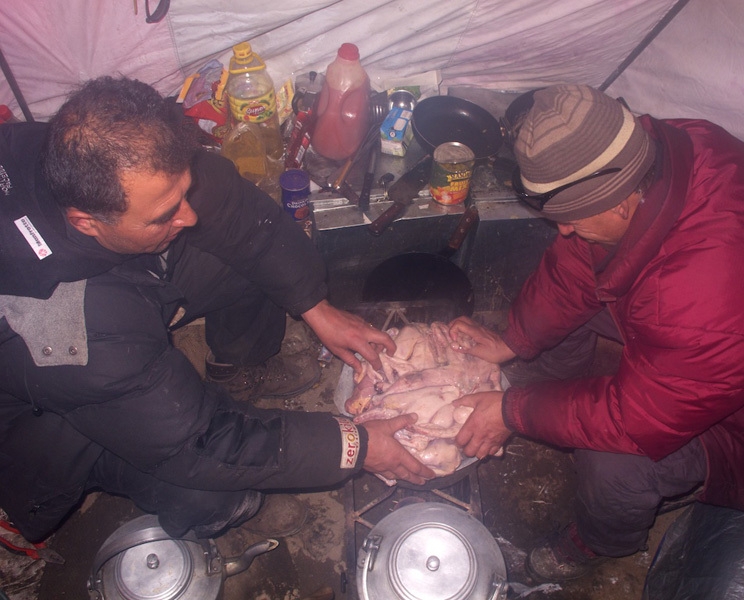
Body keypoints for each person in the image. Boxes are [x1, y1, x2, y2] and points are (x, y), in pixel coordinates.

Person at [0, 76, 434, 543]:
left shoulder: (90, 152)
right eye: (164, 215)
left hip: (119, 290)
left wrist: (314, 305)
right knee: (211, 488)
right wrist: (356, 446)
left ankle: (234, 368)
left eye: (182, 193)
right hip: (46, 424)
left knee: (247, 254)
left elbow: (233, 209)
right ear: (86, 222)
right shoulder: (68, 326)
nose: (187, 216)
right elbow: (197, 441)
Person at [448, 83, 744, 582]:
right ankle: (545, 386)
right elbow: (579, 262)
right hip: (703, 343)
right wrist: (516, 340)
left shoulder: (708, 300)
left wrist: (514, 413)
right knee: (582, 290)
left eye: (570, 219)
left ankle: (599, 541)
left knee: (611, 463)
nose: (564, 231)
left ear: (616, 204)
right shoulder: (665, 151)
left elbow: (633, 419)